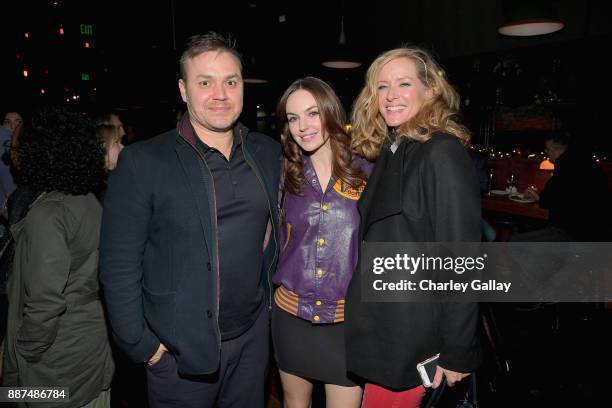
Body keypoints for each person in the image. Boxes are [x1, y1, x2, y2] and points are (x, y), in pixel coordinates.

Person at [99, 32, 281, 408]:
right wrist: (142, 345)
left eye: (231, 81)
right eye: (205, 82)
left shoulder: (266, 152)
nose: (220, 94)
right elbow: (118, 265)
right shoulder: (145, 161)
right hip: (177, 355)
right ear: (183, 90)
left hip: (252, 342)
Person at [345, 46, 482, 407]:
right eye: (381, 86)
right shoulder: (396, 147)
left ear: (430, 89)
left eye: (403, 84)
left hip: (416, 342)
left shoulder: (440, 151)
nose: (390, 96)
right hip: (388, 332)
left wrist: (457, 351)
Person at [2, 106, 114, 407]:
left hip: (54, 364)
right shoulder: (87, 200)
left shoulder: (48, 215)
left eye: (17, 147)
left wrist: (25, 350)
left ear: (38, 152)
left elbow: (44, 302)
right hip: (90, 346)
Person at [272, 77, 372, 408]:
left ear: (330, 112)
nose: (303, 126)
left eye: (312, 113)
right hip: (290, 316)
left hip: (347, 322)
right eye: (293, 118)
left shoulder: (368, 171)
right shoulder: (284, 172)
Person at [522, 131, 611, 241]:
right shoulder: (585, 161)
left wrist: (538, 197)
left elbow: (548, 199)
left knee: (515, 241)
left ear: (557, 149)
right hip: (599, 230)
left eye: (547, 149)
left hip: (578, 234)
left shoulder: (565, 164)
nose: (546, 152)